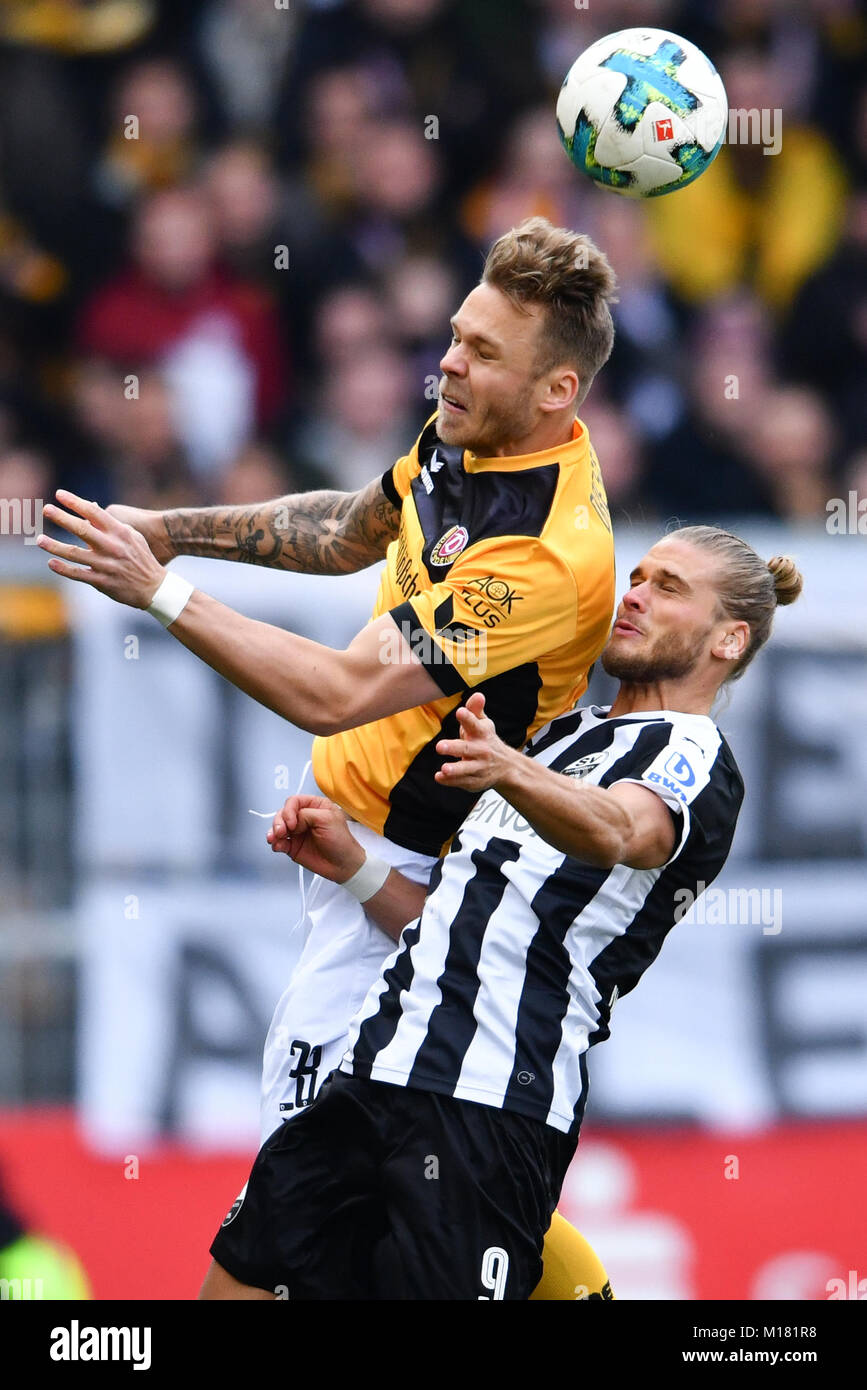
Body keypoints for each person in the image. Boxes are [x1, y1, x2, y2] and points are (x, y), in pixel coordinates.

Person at [37, 217, 618, 1297]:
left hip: (419, 892)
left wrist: (157, 589)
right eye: (457, 334)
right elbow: (350, 529)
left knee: (305, 1202)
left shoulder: (547, 556)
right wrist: (174, 528)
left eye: (485, 351)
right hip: (358, 858)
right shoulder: (465, 437)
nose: (449, 359)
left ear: (558, 391)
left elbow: (340, 689)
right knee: (375, 1200)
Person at [203, 526, 804, 1300]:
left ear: (728, 639)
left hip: (488, 1106)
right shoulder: (558, 738)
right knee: (236, 1286)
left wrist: (508, 769)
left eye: (669, 588)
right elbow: (456, 924)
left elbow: (622, 831)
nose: (635, 594)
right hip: (374, 1068)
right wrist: (356, 870)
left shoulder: (689, 753)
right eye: (640, 576)